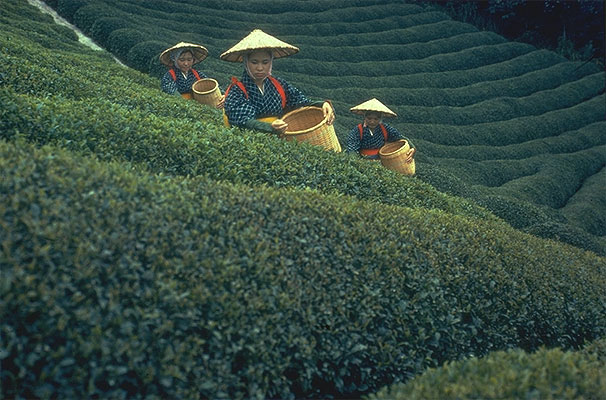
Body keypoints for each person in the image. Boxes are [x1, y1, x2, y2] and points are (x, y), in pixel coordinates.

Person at [220, 29, 335, 134]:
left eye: (265, 62)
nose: (260, 68)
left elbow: (301, 102)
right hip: (251, 141)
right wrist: (269, 126)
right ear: (246, 63)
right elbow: (243, 121)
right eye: (254, 62)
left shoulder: (279, 84)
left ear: (271, 62)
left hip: (281, 138)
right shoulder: (237, 91)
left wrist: (322, 104)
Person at [346, 98, 415, 162]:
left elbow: (399, 137)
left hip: (382, 162)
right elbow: (352, 149)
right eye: (369, 118)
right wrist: (355, 162)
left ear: (380, 119)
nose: (372, 122)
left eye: (376, 119)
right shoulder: (357, 131)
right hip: (363, 161)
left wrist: (412, 147)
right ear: (365, 117)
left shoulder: (385, 128)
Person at [159, 42, 224, 107]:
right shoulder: (170, 76)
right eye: (182, 60)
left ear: (193, 60)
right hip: (180, 107)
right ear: (175, 60)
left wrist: (223, 96)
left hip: (199, 106)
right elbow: (171, 92)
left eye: (189, 59)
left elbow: (212, 86)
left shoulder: (197, 74)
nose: (186, 63)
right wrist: (189, 106)